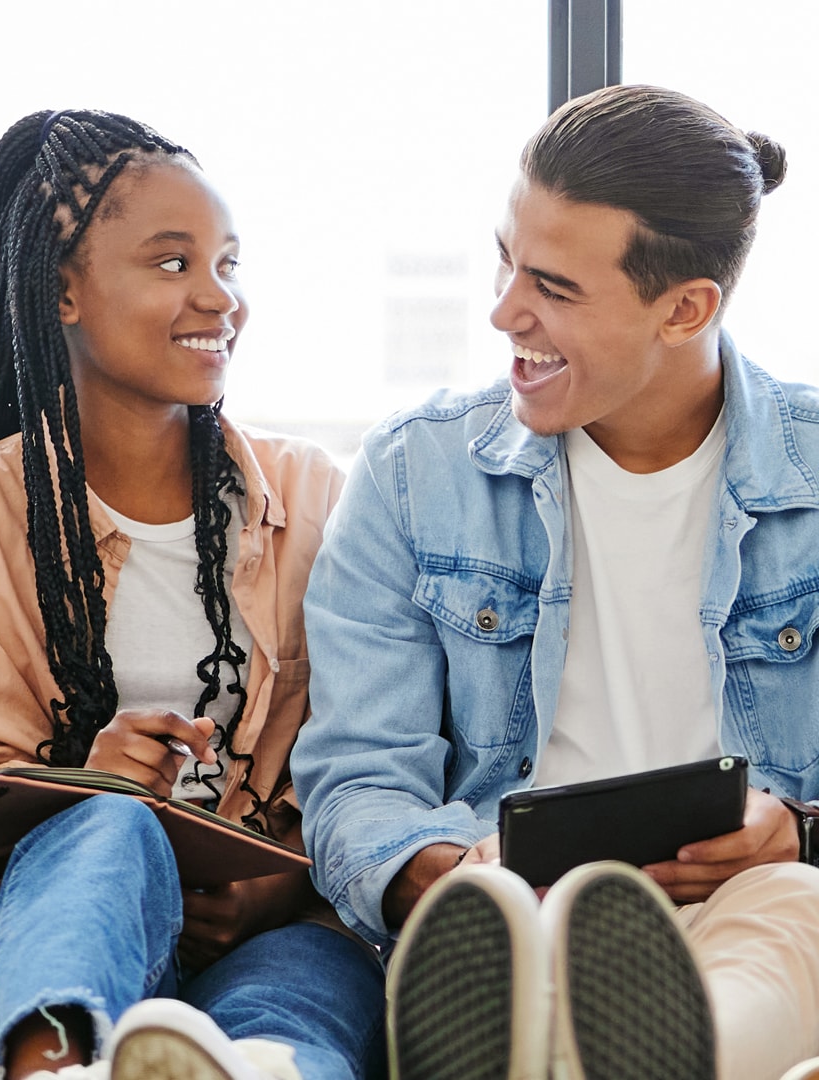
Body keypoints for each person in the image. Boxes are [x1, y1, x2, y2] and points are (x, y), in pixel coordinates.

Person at [293, 84, 819, 1080]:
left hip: (748, 908)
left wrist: (796, 830)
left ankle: (629, 1052)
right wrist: (444, 873)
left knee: (794, 910)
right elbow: (358, 779)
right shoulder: (415, 474)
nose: (503, 312)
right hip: (505, 918)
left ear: (686, 308)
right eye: (505, 258)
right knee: (495, 931)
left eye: (554, 287)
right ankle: (566, 1024)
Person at [0, 109, 383, 1080]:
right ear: (63, 290)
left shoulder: (314, 499)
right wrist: (85, 786)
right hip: (41, 930)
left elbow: (380, 755)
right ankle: (50, 1065)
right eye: (170, 263)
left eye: (227, 264)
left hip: (269, 935)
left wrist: (277, 889)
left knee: (293, 1014)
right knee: (107, 829)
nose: (218, 298)